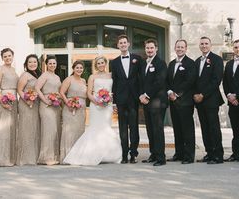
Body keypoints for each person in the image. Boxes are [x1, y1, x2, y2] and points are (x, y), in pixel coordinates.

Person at [63, 56, 122, 165]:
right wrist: (97, 102)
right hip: (96, 106)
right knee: (95, 128)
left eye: (102, 63)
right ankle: (91, 153)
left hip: (107, 106)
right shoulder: (92, 77)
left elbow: (114, 91)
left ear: (105, 63)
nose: (101, 65)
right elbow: (89, 93)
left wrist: (111, 101)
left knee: (106, 127)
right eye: (98, 63)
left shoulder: (111, 75)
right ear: (96, 65)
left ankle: (108, 155)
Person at [111, 35, 143, 164]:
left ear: (128, 44)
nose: (123, 44)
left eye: (125, 42)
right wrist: (114, 101)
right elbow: (115, 81)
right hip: (121, 99)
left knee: (134, 127)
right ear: (118, 46)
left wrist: (141, 95)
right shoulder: (114, 62)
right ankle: (124, 154)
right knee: (122, 128)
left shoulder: (137, 59)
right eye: (120, 43)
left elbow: (141, 78)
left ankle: (133, 154)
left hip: (134, 98)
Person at [194, 37, 225, 164]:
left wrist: (203, 94)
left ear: (210, 45)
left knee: (214, 128)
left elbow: (216, 80)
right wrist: (196, 95)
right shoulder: (197, 61)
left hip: (211, 100)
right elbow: (194, 80)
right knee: (204, 128)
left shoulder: (217, 60)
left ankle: (218, 155)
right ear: (199, 46)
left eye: (206, 43)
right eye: (202, 44)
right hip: (199, 102)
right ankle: (209, 153)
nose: (204, 45)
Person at [166, 39, 196, 164]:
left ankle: (189, 156)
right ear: (175, 48)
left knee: (187, 129)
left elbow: (190, 81)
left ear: (186, 48)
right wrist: (169, 93)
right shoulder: (172, 64)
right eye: (177, 47)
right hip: (173, 102)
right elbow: (167, 80)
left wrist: (177, 94)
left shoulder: (190, 63)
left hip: (185, 101)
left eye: (182, 47)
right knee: (177, 129)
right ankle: (179, 153)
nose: (179, 49)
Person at [140, 39, 168, 166]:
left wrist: (146, 95)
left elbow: (159, 82)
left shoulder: (161, 63)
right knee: (150, 129)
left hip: (157, 101)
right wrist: (141, 96)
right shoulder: (144, 63)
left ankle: (161, 158)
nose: (149, 50)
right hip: (146, 102)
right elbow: (142, 82)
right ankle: (154, 154)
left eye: (151, 48)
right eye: (147, 48)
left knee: (157, 129)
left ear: (156, 48)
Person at [0, 48, 19, 167]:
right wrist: (2, 102)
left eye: (9, 56)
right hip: (4, 99)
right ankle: (1, 158)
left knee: (12, 128)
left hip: (14, 100)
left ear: (13, 56)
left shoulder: (14, 70)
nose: (8, 58)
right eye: (5, 56)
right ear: (2, 58)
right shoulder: (0, 69)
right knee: (3, 129)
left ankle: (11, 157)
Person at [59, 60, 87, 163]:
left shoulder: (84, 81)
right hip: (70, 109)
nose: (79, 69)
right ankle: (68, 156)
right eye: (77, 68)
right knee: (69, 132)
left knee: (79, 131)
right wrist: (68, 103)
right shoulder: (69, 79)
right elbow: (61, 92)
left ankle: (78, 156)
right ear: (73, 68)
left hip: (81, 110)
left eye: (81, 68)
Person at [36, 55, 62, 165]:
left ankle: (54, 156)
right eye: (50, 63)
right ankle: (46, 157)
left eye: (54, 63)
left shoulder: (57, 77)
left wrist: (58, 99)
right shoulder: (44, 75)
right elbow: (37, 88)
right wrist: (45, 100)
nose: (52, 65)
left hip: (55, 106)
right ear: (47, 64)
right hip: (46, 105)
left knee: (55, 130)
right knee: (48, 130)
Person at [16, 54, 41, 165]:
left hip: (36, 104)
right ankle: (25, 158)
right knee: (26, 129)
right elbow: (20, 90)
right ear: (26, 64)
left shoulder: (38, 75)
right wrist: (27, 100)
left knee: (34, 129)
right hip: (26, 104)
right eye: (30, 62)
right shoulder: (25, 75)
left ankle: (34, 156)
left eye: (35, 62)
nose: (32, 64)